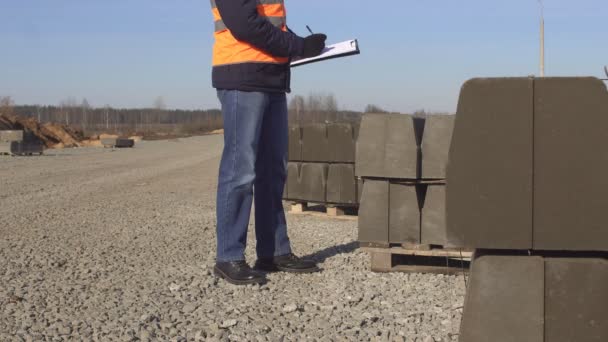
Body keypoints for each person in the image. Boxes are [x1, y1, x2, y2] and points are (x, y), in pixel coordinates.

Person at [210, 0, 327, 285]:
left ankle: (273, 252)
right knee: (240, 170)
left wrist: (303, 45)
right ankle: (228, 257)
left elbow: (270, 24)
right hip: (242, 77)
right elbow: (245, 25)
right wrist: (298, 45)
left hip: (271, 80)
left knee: (273, 170)